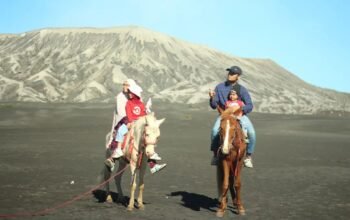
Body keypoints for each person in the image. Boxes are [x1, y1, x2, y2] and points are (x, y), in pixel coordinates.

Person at [105, 82, 167, 174]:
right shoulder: (129, 103)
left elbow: (143, 115)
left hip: (139, 125)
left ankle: (152, 163)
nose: (129, 94)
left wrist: (146, 112)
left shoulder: (141, 104)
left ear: (135, 94)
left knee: (148, 137)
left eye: (131, 92)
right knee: (121, 131)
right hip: (131, 123)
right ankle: (116, 153)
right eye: (129, 92)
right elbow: (129, 114)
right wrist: (133, 121)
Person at [209, 66, 256, 168]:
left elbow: (250, 105)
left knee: (252, 133)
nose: (229, 75)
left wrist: (240, 109)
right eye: (229, 73)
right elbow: (213, 106)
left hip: (239, 115)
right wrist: (212, 97)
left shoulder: (241, 89)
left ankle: (248, 157)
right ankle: (215, 155)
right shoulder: (219, 87)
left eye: (232, 73)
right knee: (214, 131)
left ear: (237, 76)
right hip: (224, 115)